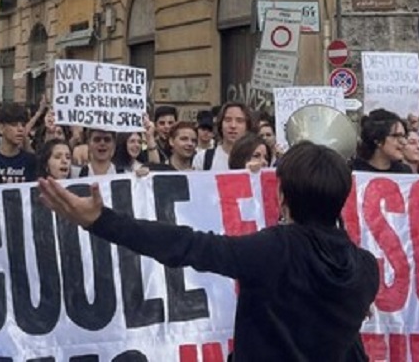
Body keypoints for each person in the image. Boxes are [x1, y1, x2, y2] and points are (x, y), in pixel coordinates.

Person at [39, 141, 380, 361]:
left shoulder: (273, 249)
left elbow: (186, 245)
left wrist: (100, 220)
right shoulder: (366, 268)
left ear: (283, 197)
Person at [351, 109, 414, 174]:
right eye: (396, 136)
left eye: (404, 136)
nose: (404, 142)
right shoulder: (352, 171)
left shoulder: (404, 172)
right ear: (378, 140)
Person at [195, 102, 252, 171]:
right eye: (228, 120)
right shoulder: (203, 158)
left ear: (247, 127)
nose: (233, 126)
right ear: (220, 125)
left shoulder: (257, 158)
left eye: (239, 121)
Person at [0, 102, 37, 184]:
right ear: (1, 128)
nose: (20, 129)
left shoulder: (32, 161)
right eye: (14, 125)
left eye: (23, 125)